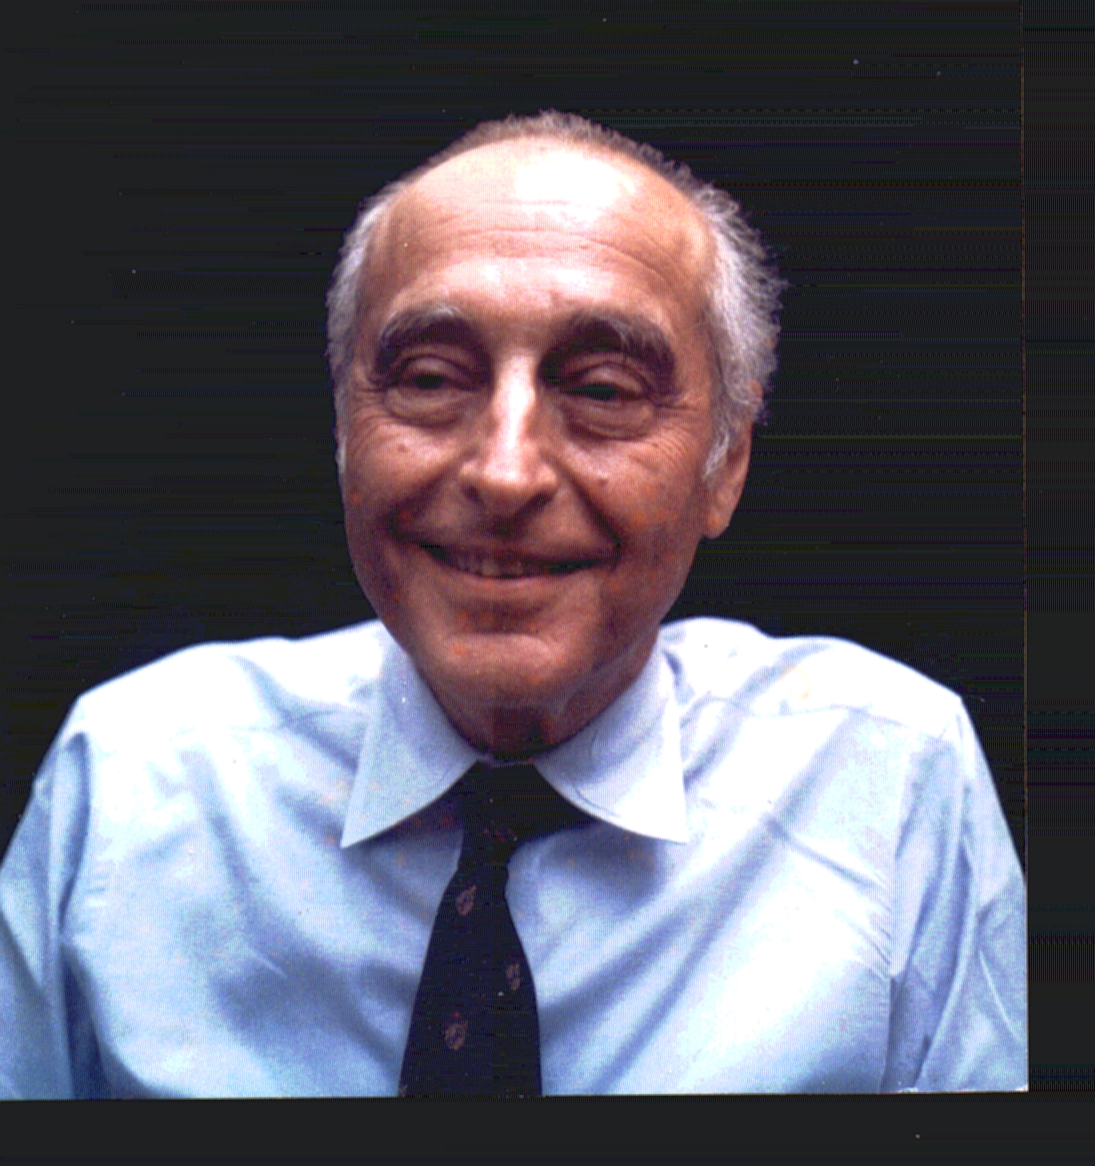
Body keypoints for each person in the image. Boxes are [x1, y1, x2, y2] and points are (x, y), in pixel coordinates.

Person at [0, 112, 1026, 1097]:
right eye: (431, 378)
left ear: (726, 464)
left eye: (605, 390)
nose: (504, 472)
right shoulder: (133, 784)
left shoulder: (891, 783)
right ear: (345, 431)